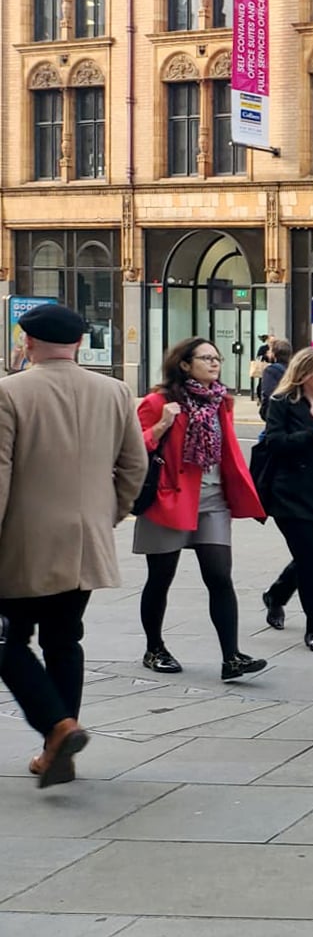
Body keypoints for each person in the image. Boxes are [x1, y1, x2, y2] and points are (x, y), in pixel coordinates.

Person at [0, 305, 146, 787]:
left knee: (8, 640)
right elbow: (134, 467)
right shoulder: (114, 391)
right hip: (86, 540)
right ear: (79, 343)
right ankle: (57, 748)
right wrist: (108, 516)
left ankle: (59, 727)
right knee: (64, 640)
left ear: (28, 341)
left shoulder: (9, 391)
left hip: (22, 541)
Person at [135, 338, 270, 681]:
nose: (214, 364)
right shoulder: (158, 402)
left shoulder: (220, 401)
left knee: (220, 577)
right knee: (160, 578)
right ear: (184, 364)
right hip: (169, 497)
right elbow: (132, 449)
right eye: (205, 358)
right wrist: (163, 424)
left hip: (212, 501)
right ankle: (154, 648)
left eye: (217, 358)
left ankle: (232, 657)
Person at [257, 347, 313, 653]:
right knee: (310, 560)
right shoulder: (282, 403)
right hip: (289, 494)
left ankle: (276, 595)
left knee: (310, 557)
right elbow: (276, 443)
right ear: (303, 373)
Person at [256, 339, 292, 406]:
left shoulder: (271, 370)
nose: (267, 352)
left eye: (270, 350)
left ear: (274, 354)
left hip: (276, 410)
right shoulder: (294, 368)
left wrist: (264, 410)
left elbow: (268, 393)